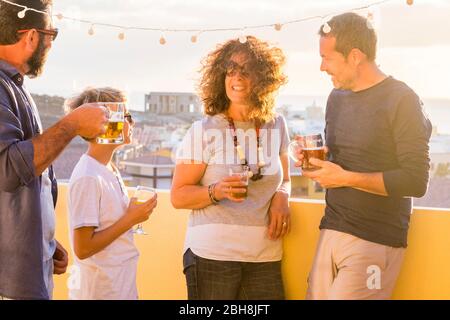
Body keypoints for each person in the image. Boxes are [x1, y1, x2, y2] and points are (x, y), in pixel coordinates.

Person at [298, 12, 432, 300]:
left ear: (355, 56)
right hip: (331, 229)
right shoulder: (336, 97)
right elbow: (345, 157)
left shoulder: (402, 100)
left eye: (327, 58)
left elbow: (415, 181)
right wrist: (315, 161)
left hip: (375, 239)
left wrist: (344, 178)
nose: (321, 67)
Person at [0, 0, 108, 300]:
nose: (51, 44)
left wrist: (43, 242)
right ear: (32, 36)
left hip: (25, 268)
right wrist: (73, 124)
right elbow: (8, 170)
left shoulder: (13, 87)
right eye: (52, 34)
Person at [171, 36, 291, 300]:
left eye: (246, 70)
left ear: (264, 79)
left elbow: (286, 179)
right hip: (212, 255)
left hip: (265, 255)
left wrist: (282, 196)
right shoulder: (203, 130)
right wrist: (217, 191)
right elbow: (178, 196)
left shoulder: (277, 125)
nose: (237, 77)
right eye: (231, 69)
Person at [66, 87, 157, 300]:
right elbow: (83, 247)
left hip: (118, 289)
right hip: (100, 291)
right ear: (103, 123)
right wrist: (130, 219)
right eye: (125, 116)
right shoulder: (88, 176)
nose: (132, 122)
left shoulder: (108, 168)